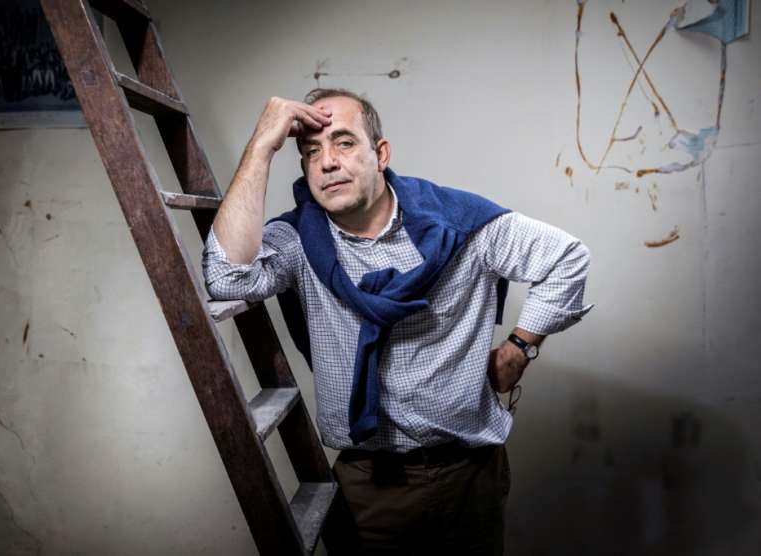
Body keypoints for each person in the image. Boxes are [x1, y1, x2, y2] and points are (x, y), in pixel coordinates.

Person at [202, 88, 593, 554]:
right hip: (368, 484)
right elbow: (226, 278)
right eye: (311, 152)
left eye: (344, 142)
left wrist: (520, 349)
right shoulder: (298, 240)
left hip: (469, 475)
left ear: (381, 154)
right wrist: (263, 143)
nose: (327, 163)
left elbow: (567, 258)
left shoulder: (459, 224)